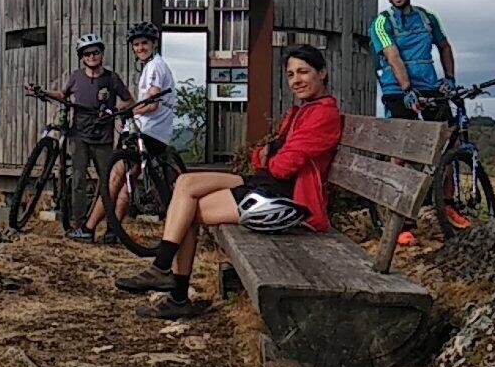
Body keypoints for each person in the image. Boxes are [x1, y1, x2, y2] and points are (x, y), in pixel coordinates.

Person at [114, 44, 342, 319]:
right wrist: (269, 155)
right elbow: (260, 157)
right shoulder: (299, 112)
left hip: (286, 199)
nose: (296, 80)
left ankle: (174, 289)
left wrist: (270, 156)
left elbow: (282, 167)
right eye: (291, 74)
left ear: (322, 73)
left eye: (303, 72)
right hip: (265, 183)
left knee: (186, 211)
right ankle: (163, 272)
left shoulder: (323, 114)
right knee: (185, 183)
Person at [370, 0, 457, 243]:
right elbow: (392, 56)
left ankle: (447, 204)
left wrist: (450, 78)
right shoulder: (381, 22)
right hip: (398, 89)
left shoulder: (427, 18)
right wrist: (407, 88)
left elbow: (444, 46)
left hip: (429, 85)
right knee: (402, 150)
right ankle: (400, 217)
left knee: (447, 142)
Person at [85, 21, 177, 241]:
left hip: (146, 131)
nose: (140, 48)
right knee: (128, 180)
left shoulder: (155, 67)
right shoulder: (153, 65)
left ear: (153, 44)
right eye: (136, 45)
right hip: (156, 133)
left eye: (144, 43)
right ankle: (113, 231)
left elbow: (151, 104)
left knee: (114, 178)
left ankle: (88, 228)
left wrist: (125, 110)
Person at [40, 34, 132, 242]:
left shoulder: (112, 78)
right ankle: (80, 225)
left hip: (104, 138)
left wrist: (114, 108)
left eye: (95, 52)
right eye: (87, 54)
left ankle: (111, 227)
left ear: (101, 54)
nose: (92, 56)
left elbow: (129, 100)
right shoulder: (76, 77)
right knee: (78, 181)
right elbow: (63, 95)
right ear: (82, 57)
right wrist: (42, 91)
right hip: (79, 135)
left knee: (108, 183)